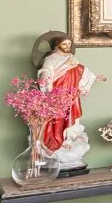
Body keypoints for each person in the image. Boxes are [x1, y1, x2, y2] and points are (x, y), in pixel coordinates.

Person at [33, 32, 104, 161]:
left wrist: (94, 77)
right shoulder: (51, 59)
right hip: (58, 95)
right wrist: (47, 77)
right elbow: (47, 73)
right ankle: (58, 141)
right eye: (64, 44)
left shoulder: (72, 58)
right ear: (57, 45)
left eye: (69, 44)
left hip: (71, 94)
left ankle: (69, 139)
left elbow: (81, 70)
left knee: (72, 118)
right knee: (58, 119)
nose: (67, 46)